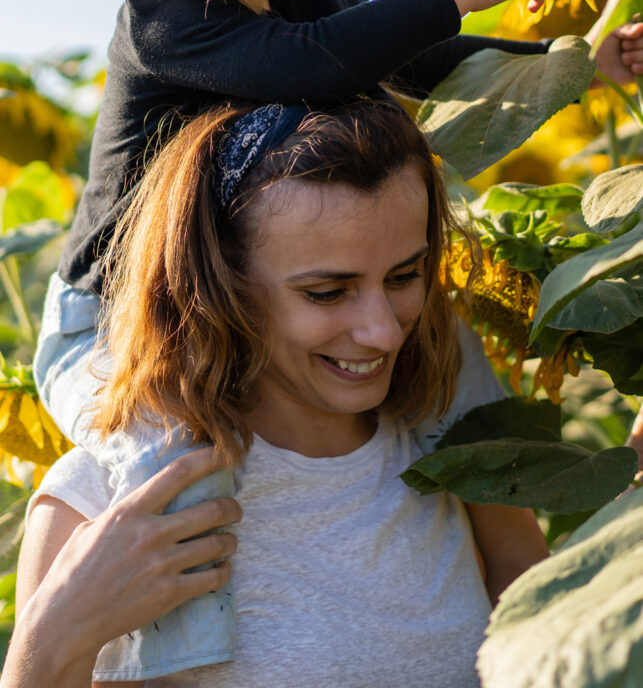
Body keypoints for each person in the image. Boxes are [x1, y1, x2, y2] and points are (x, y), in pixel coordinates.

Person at [29, 0, 642, 675]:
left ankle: (494, 466)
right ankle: (184, 651)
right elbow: (318, 65)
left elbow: (404, 60)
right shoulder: (170, 21)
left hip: (236, 288)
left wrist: (570, 60)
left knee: (452, 364)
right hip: (114, 321)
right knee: (166, 453)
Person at [9, 99, 549, 687]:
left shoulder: (451, 450)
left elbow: (555, 648)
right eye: (326, 292)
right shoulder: (104, 502)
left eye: (404, 277)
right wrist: (56, 633)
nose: (385, 331)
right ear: (220, 287)